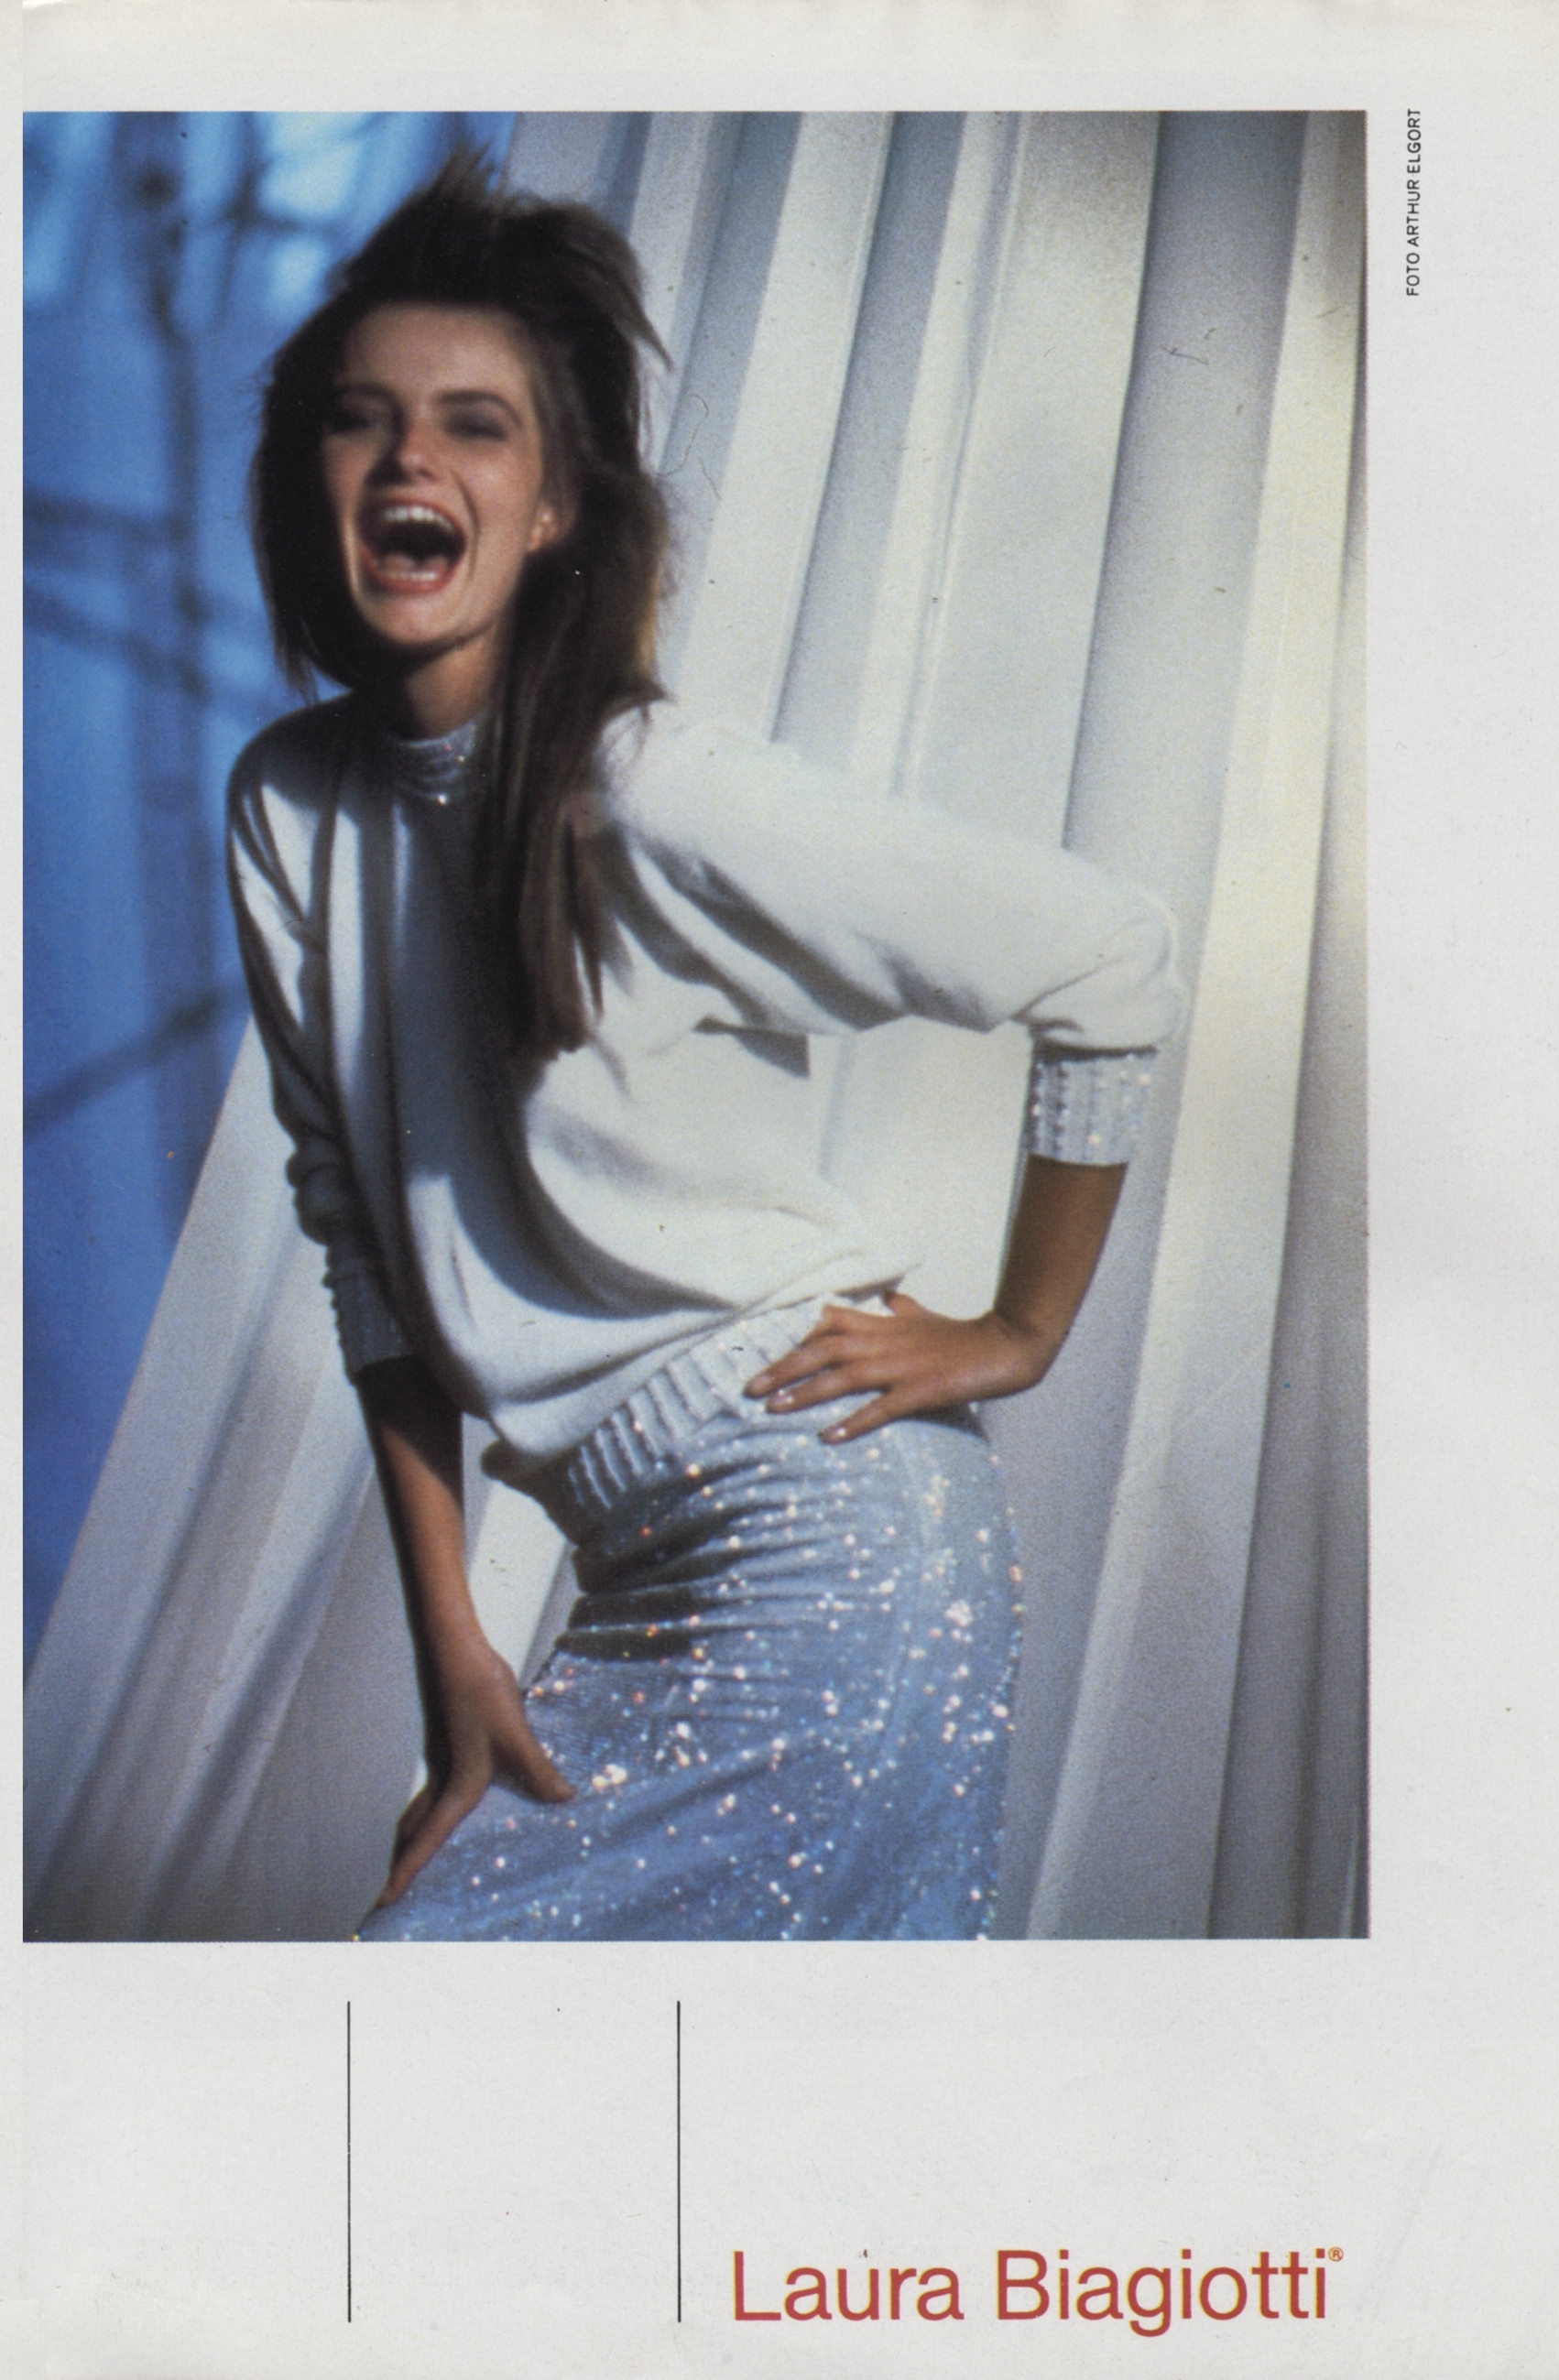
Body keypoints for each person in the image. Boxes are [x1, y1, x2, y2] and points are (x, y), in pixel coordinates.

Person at [226, 156, 1183, 1942]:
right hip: (631, 1560)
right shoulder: (290, 805)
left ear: (554, 510)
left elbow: (1107, 953)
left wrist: (1020, 1330)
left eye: (475, 426)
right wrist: (453, 1650)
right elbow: (364, 1244)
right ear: (309, 478)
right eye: (361, 419)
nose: (410, 457)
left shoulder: (649, 788)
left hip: (833, 1551)